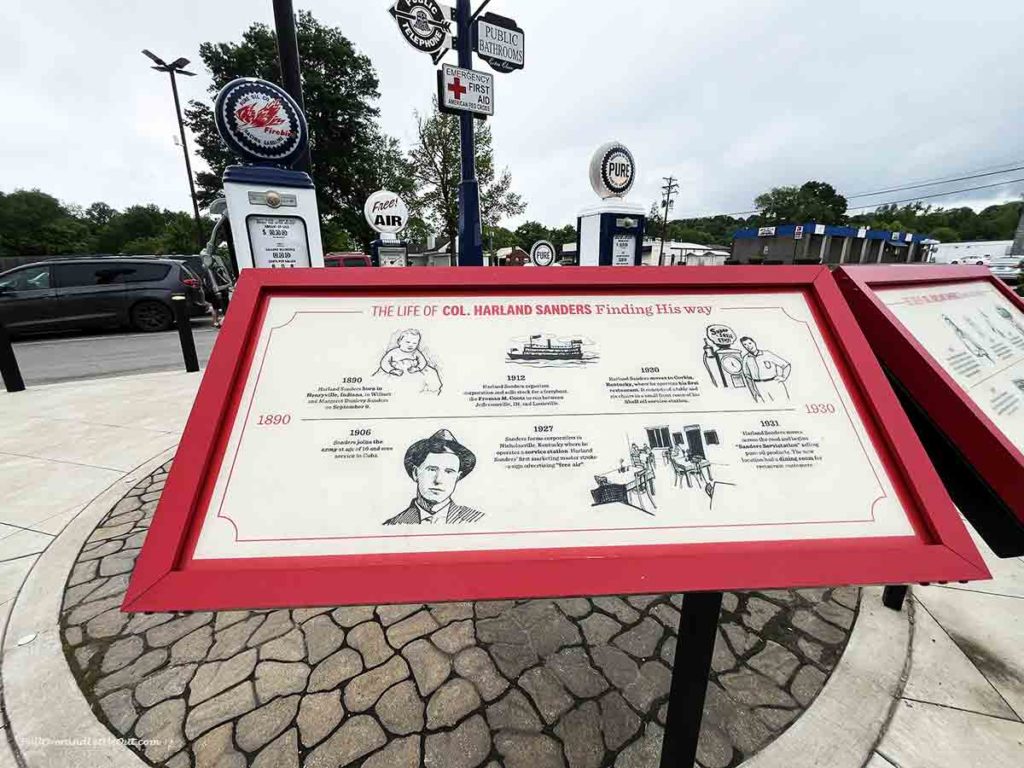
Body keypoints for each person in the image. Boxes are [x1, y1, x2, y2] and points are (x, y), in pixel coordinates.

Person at [384, 429, 484, 525]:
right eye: (432, 469)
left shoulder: (477, 521)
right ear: (415, 473)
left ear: (458, 477)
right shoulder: (393, 524)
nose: (438, 480)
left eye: (449, 472)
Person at [739, 336, 792, 402]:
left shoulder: (767, 354)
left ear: (754, 343)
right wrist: (753, 392)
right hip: (759, 386)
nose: (748, 346)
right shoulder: (746, 359)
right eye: (745, 345)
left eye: (750, 343)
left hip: (774, 383)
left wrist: (784, 377)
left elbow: (786, 365)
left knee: (783, 403)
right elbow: (747, 377)